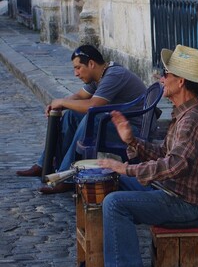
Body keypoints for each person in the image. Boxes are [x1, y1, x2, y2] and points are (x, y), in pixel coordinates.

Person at [93, 45, 198, 267]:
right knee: (111, 183)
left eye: (166, 74)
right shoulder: (184, 114)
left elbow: (173, 166)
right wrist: (132, 142)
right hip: (171, 193)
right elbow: (165, 154)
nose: (162, 79)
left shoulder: (192, 119)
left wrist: (127, 168)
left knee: (115, 203)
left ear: (180, 82)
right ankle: (103, 261)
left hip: (184, 203)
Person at [16, 45, 147, 194]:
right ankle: (46, 163)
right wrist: (57, 104)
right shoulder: (99, 76)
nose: (76, 73)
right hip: (118, 125)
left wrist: (62, 102)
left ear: (91, 64)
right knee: (71, 115)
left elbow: (92, 105)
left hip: (131, 130)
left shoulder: (114, 75)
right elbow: (78, 97)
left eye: (78, 68)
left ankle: (67, 178)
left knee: (90, 119)